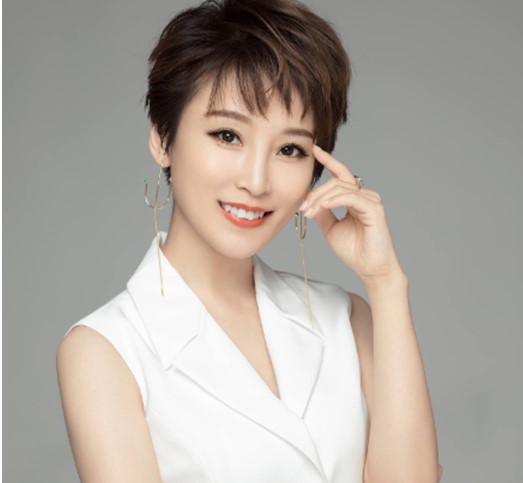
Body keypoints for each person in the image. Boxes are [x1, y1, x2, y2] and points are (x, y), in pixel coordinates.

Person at [56, 0, 443, 482]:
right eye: (227, 136)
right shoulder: (106, 348)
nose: (256, 181)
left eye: (289, 149)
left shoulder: (346, 318)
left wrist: (386, 282)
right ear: (162, 139)